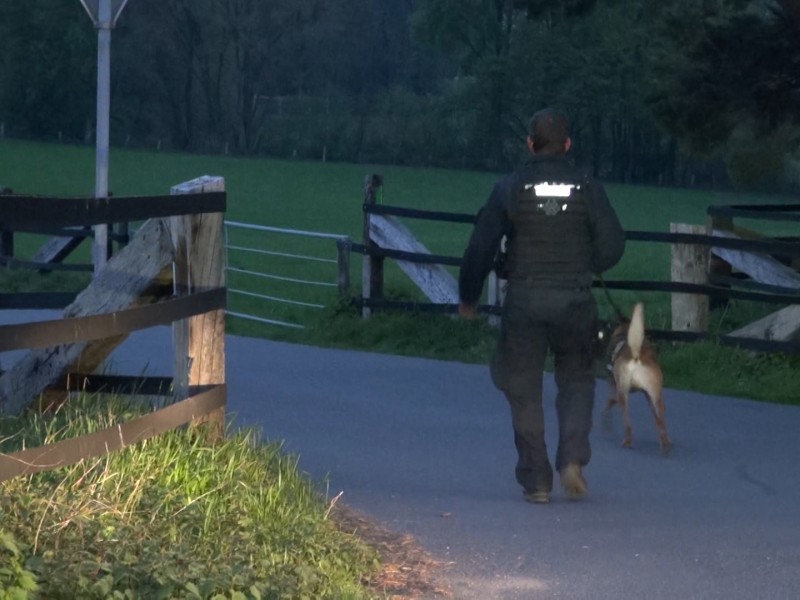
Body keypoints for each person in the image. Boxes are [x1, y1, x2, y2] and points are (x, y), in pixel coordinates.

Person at [458, 108, 625, 504]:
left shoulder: (510, 187)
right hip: (575, 301)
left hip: (525, 302)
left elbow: (480, 247)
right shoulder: (587, 187)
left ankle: (536, 480)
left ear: (530, 144)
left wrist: (468, 297)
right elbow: (613, 244)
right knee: (578, 380)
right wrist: (586, 264)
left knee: (523, 387)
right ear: (567, 145)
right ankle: (572, 460)